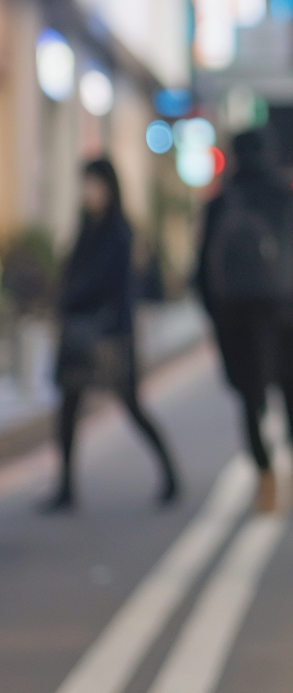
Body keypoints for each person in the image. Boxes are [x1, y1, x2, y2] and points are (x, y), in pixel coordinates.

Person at [197, 127, 293, 515]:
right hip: (288, 318)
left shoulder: (220, 203)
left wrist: (218, 317)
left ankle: (266, 481)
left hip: (238, 320)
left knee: (250, 402)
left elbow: (200, 272)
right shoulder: (290, 199)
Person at [45, 158, 179, 510]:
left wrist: (68, 300)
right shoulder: (87, 228)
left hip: (110, 335)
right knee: (68, 409)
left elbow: (105, 284)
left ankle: (171, 475)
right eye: (85, 185)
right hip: (82, 332)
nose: (88, 193)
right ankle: (66, 488)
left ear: (108, 187)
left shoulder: (119, 232)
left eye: (94, 185)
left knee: (131, 405)